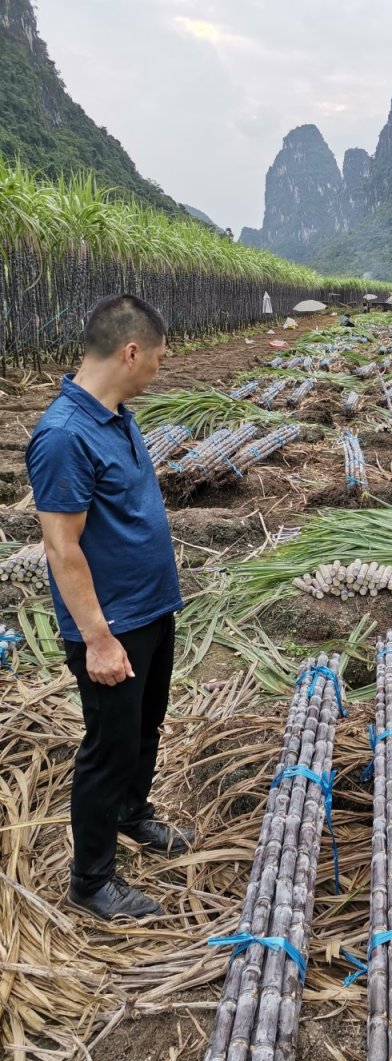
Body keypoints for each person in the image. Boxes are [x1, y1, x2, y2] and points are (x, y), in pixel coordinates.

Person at [25, 294, 192, 921]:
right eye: (156, 359)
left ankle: (132, 812)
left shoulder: (116, 414)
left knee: (144, 727)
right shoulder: (65, 436)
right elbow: (61, 547)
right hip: (111, 624)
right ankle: (91, 880)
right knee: (107, 745)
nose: (158, 369)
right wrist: (97, 638)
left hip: (150, 611)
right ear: (130, 352)